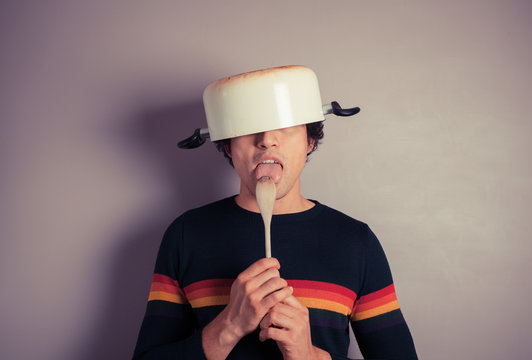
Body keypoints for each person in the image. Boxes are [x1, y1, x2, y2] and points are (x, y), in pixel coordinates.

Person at [133, 66, 417, 359]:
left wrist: (310, 355)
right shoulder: (186, 234)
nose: (267, 139)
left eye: (285, 125)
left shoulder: (356, 243)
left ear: (310, 141)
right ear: (228, 146)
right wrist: (229, 326)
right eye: (246, 128)